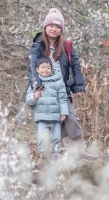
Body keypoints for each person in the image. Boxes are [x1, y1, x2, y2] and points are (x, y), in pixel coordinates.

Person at [28, 8, 86, 149]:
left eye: (57, 26)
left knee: (71, 118)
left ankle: (80, 151)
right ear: (45, 27)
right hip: (43, 90)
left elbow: (75, 65)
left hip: (61, 89)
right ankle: (51, 155)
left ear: (61, 29)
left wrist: (78, 86)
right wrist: (38, 85)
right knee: (47, 122)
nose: (54, 29)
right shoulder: (37, 46)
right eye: (51, 26)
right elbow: (31, 67)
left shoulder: (67, 46)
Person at [25, 59, 69, 158]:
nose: (45, 70)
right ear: (37, 70)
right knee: (43, 139)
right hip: (41, 117)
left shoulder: (58, 82)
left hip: (55, 117)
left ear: (52, 69)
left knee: (56, 138)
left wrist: (64, 112)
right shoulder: (34, 83)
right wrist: (35, 96)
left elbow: (62, 99)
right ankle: (44, 159)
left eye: (48, 68)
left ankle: (56, 158)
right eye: (43, 67)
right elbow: (28, 101)